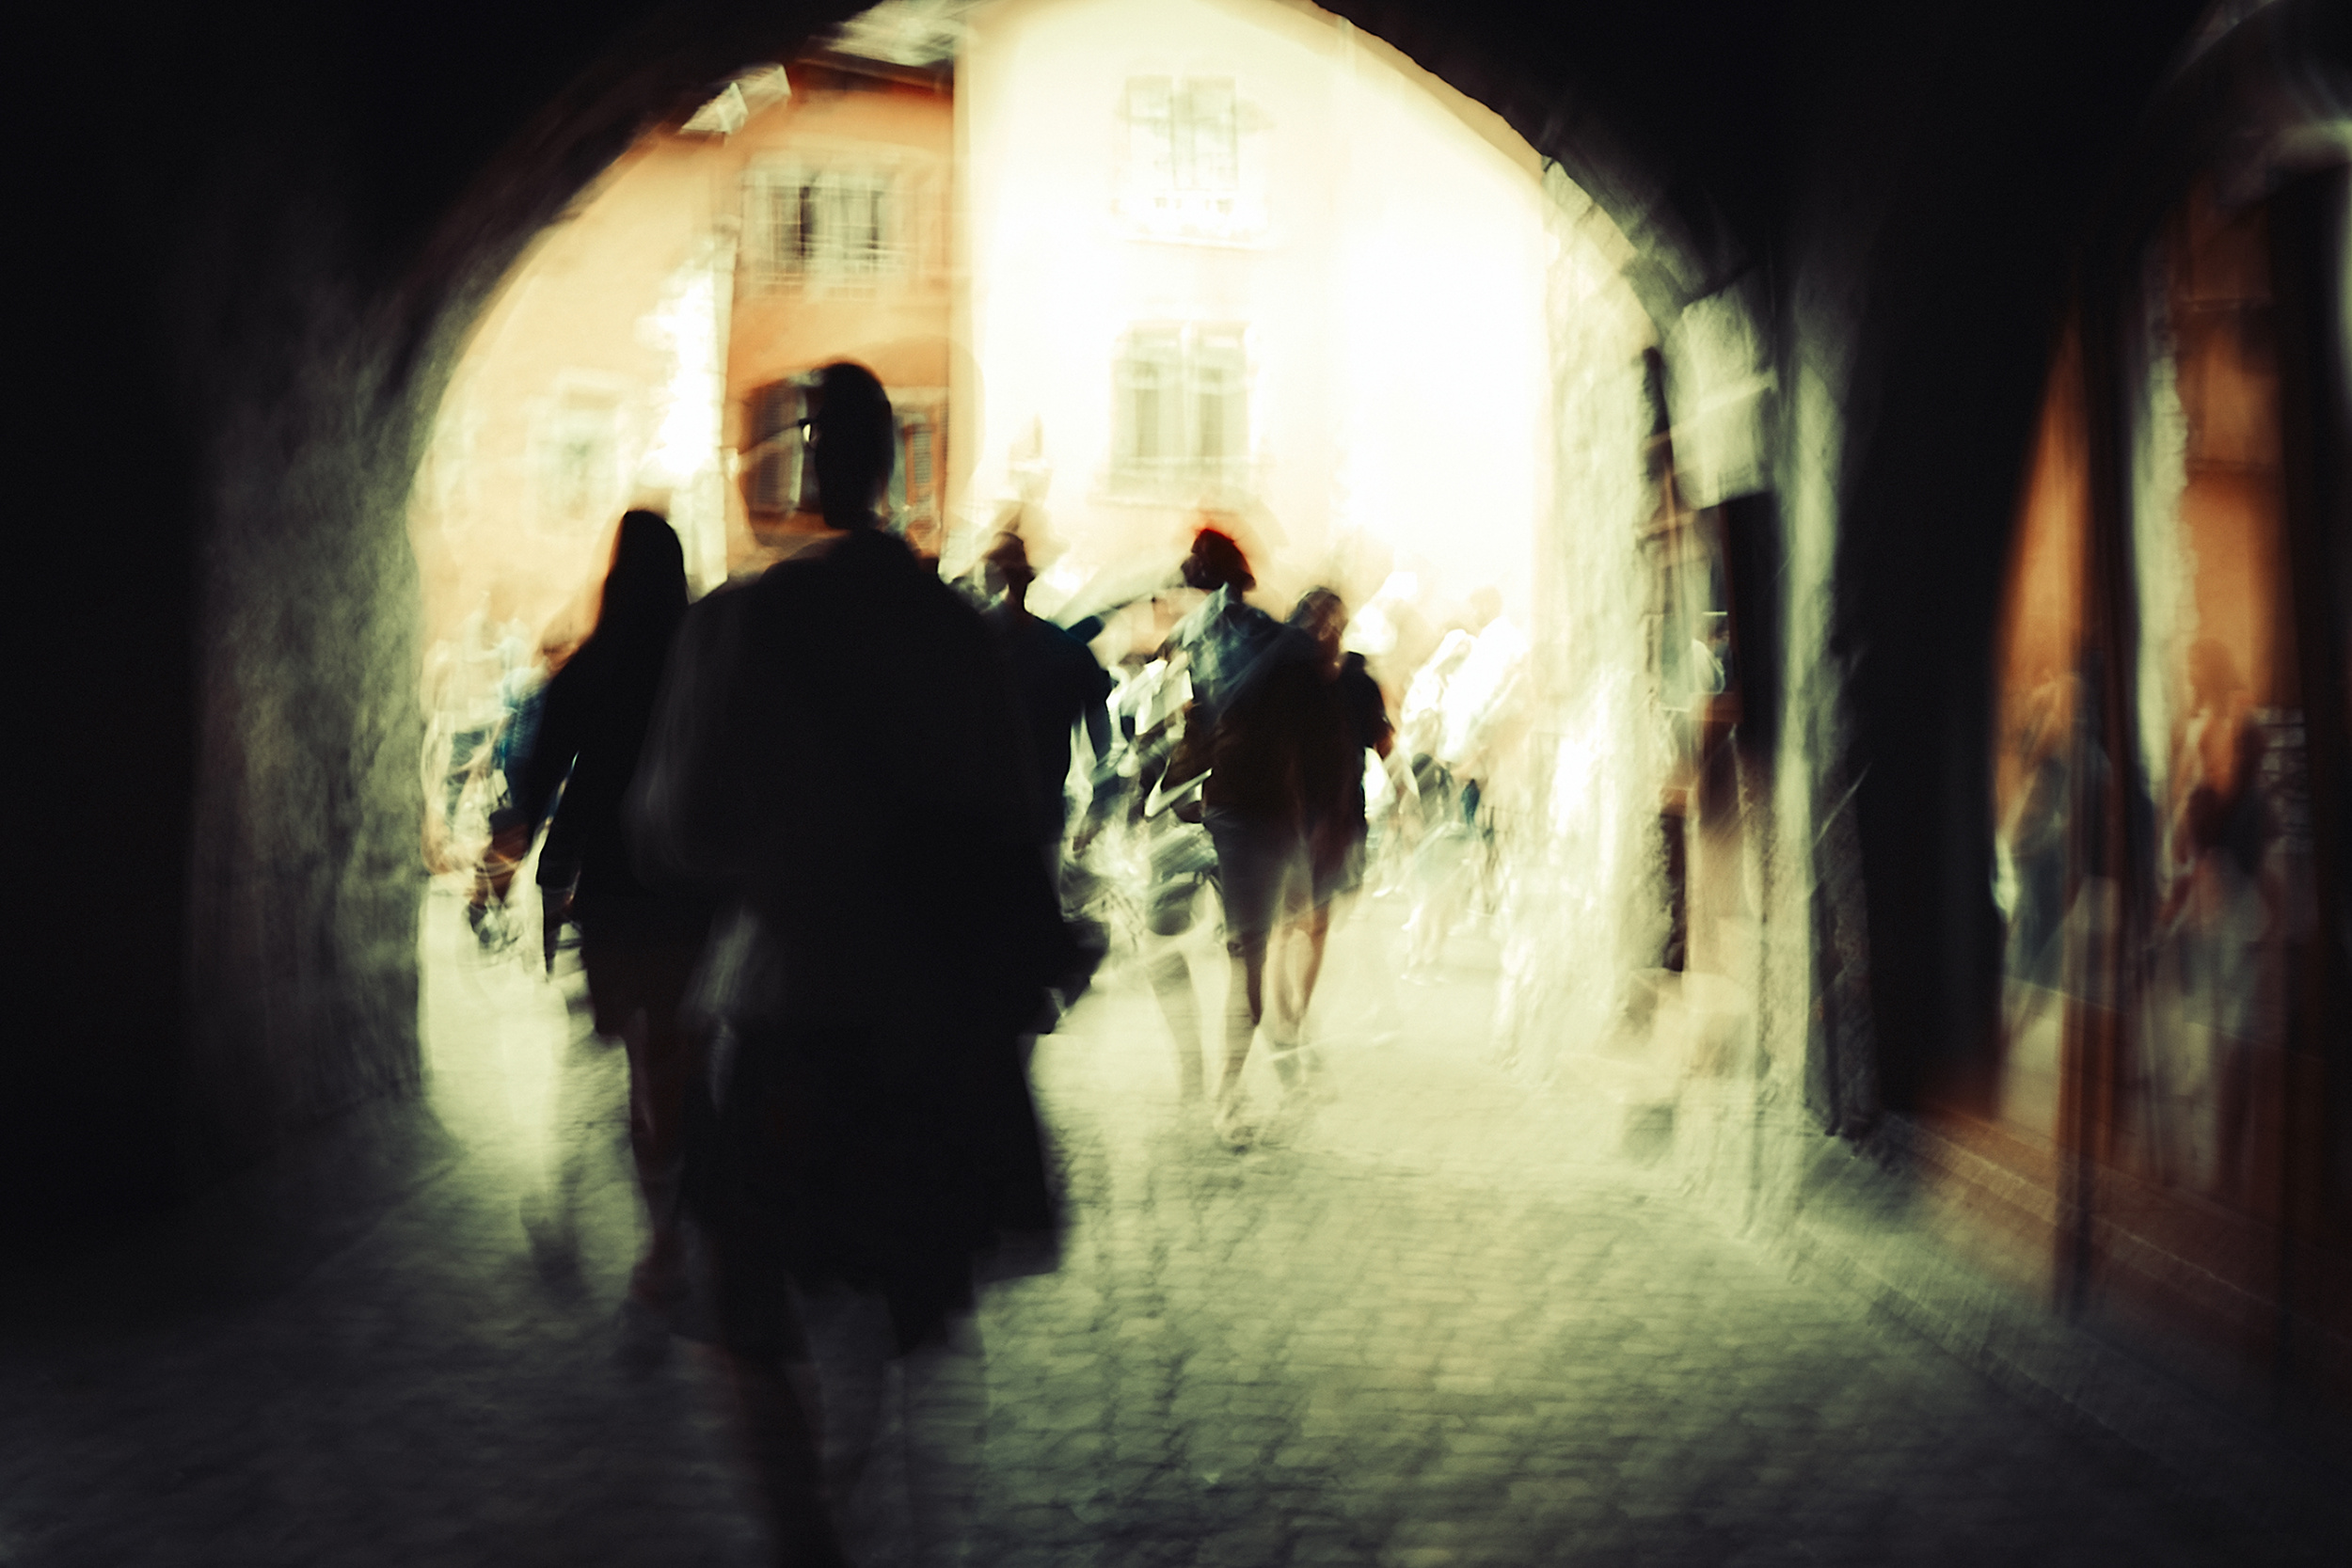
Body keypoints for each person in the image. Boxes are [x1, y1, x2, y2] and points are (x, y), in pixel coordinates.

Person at [629, 361, 1071, 1568]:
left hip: (789, 1005)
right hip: (935, 1022)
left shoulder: (743, 620)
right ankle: (923, 1541)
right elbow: (1011, 825)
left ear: (804, 462)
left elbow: (676, 827)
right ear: (894, 466)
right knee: (925, 1311)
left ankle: (809, 1544)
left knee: (743, 1306)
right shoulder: (958, 635)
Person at [489, 513, 708, 1313]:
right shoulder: (701, 666)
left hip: (612, 894)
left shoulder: (592, 666)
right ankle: (672, 1229)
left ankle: (660, 1230)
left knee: (628, 1056)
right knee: (676, 1059)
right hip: (691, 889)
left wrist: (526, 865)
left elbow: (547, 778)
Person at [1168, 527, 1326, 1144]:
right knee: (1254, 959)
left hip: (1219, 810)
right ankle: (1227, 1095)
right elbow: (1311, 743)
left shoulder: (1191, 642)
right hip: (1263, 815)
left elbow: (1183, 733)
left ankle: (1223, 1086)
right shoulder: (1286, 645)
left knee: (1244, 954)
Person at [979, 530, 1115, 868]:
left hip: (987, 820)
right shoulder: (1067, 653)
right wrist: (1100, 806)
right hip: (1037, 819)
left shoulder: (970, 647)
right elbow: (1103, 740)